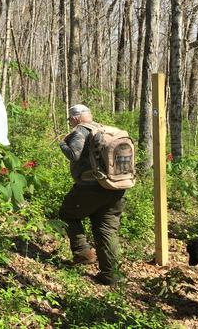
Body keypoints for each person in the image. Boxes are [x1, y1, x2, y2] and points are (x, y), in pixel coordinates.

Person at [58, 104, 126, 286]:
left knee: (67, 214)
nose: (70, 122)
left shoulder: (80, 131)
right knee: (106, 229)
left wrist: (62, 143)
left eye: (70, 119)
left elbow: (74, 154)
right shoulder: (103, 128)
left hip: (91, 187)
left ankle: (83, 253)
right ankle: (111, 276)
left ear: (75, 118)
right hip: (116, 187)